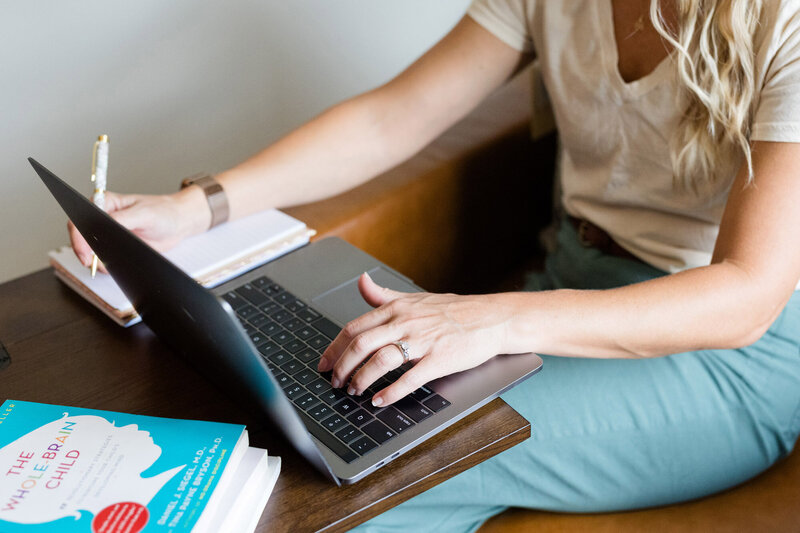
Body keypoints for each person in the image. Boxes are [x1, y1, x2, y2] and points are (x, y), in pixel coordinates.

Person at [70, 0, 800, 530]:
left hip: (724, 354)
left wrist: (486, 317)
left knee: (390, 463)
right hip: (568, 286)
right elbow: (397, 116)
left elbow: (748, 295)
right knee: (312, 412)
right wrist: (199, 207)